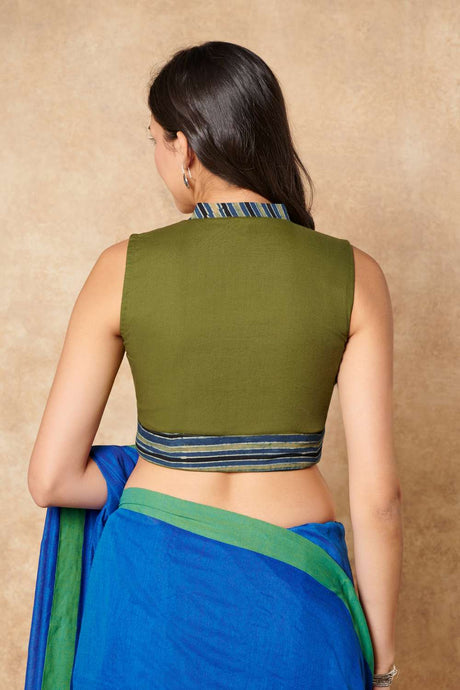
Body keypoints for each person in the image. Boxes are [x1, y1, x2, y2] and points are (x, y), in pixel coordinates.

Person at [27, 41, 403, 689]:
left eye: (155, 139)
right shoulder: (355, 274)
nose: (156, 157)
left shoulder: (120, 268)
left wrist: (148, 467)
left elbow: (52, 479)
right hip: (294, 608)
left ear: (186, 148)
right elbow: (379, 501)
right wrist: (384, 657)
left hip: (148, 596)